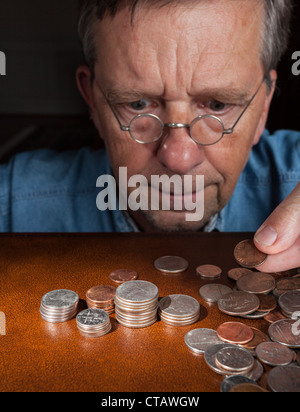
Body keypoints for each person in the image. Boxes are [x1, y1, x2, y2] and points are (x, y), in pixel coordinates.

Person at [0, 0, 299, 274]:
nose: (179, 158)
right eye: (138, 104)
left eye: (218, 105)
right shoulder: (13, 206)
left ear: (264, 106)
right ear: (93, 102)